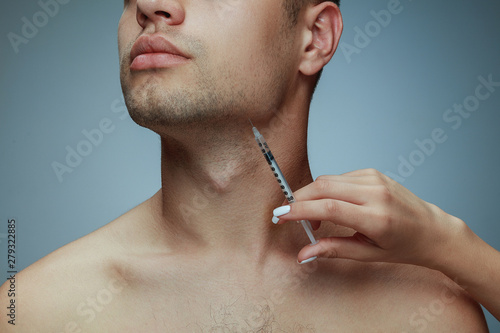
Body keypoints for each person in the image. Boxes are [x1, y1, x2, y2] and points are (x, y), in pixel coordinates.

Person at [0, 0, 491, 331]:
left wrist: (454, 246)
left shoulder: (430, 310)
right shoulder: (34, 312)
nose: (150, 7)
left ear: (315, 37)